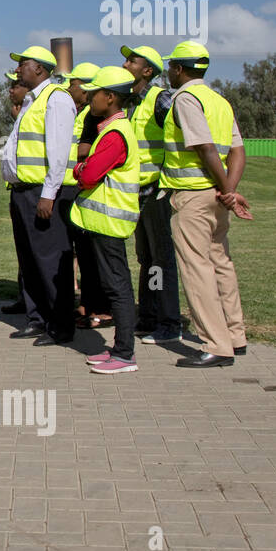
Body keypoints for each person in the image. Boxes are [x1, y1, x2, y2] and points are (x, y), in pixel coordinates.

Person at [160, 42, 250, 368]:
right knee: (221, 264)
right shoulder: (220, 101)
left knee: (197, 271)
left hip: (193, 196)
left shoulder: (185, 98)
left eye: (171, 66)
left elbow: (205, 148)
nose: (168, 72)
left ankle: (216, 345)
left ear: (179, 69)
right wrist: (229, 191)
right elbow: (237, 151)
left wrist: (227, 191)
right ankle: (235, 337)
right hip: (215, 197)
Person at [2, 46, 78, 346]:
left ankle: (60, 325)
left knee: (48, 260)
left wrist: (49, 194)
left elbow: (58, 152)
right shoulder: (32, 102)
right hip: (22, 192)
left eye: (23, 65)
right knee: (29, 260)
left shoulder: (56, 99)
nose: (18, 70)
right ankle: (37, 318)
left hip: (42, 194)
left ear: (41, 69)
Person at [70, 67, 142, 374]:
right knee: (115, 286)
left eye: (94, 92)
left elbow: (86, 173)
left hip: (109, 224)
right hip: (102, 223)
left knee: (118, 288)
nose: (89, 97)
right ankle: (117, 349)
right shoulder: (108, 129)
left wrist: (80, 170)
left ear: (110, 98)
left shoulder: (114, 135)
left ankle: (124, 354)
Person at [121, 44, 182, 345]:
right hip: (138, 192)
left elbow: (182, 136)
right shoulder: (131, 102)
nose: (124, 63)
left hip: (157, 192)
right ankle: (148, 315)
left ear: (148, 71)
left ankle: (169, 322)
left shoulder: (161, 100)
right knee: (147, 258)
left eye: (131, 60)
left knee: (161, 259)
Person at [65, 62, 109, 330]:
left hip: (90, 188)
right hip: (75, 186)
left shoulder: (95, 117)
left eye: (74, 82)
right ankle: (86, 304)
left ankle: (101, 308)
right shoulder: (77, 112)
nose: (70, 87)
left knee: (95, 254)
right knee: (81, 251)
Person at [1, 71, 31, 315]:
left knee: (35, 251)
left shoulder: (34, 113)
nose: (11, 90)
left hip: (35, 191)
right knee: (24, 250)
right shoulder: (20, 117)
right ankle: (26, 299)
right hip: (19, 191)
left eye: (16, 86)